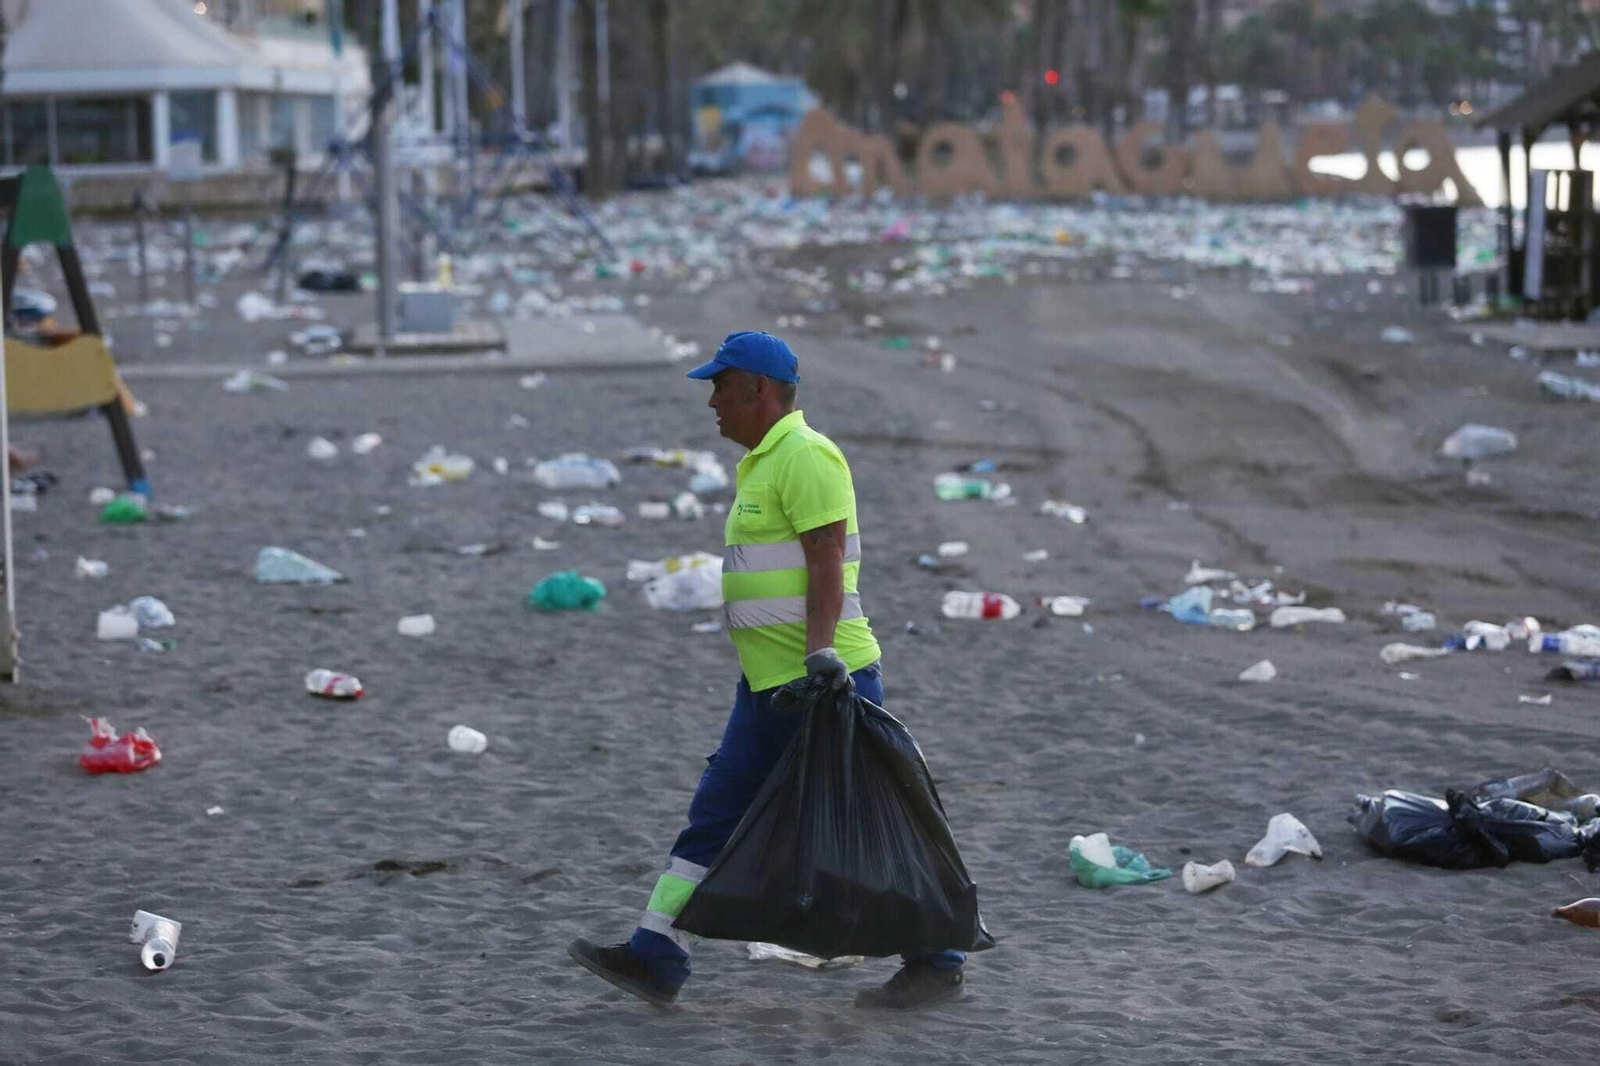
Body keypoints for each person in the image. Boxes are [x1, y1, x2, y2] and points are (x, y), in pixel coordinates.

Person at [569, 331, 968, 1011]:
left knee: (871, 819)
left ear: (757, 387)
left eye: (720, 386)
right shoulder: (761, 462)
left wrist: (820, 655)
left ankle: (938, 960)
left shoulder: (807, 456)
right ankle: (655, 954)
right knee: (714, 815)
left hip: (825, 683)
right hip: (768, 689)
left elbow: (826, 559)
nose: (712, 402)